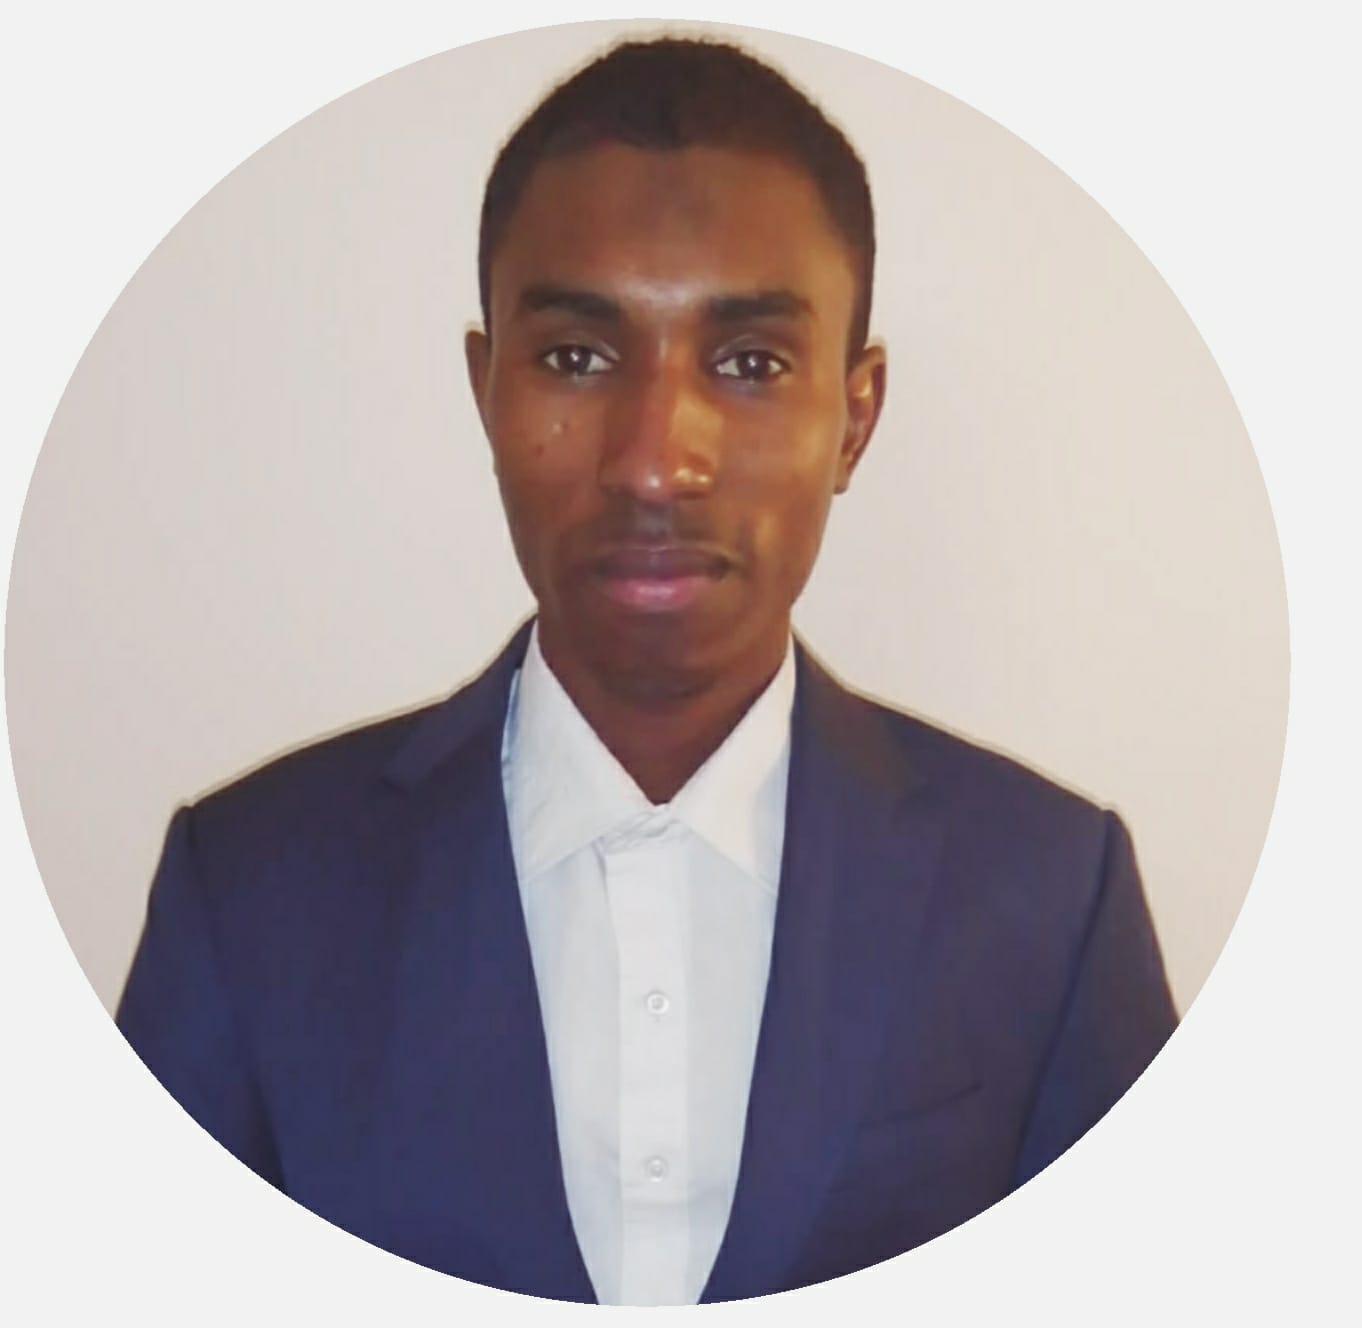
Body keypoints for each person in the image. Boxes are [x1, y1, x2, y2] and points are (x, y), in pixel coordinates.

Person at [116, 37, 1177, 1306]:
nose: (655, 461)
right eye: (576, 356)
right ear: (486, 390)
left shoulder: (1048, 897)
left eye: (750, 363)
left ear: (855, 415)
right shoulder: (250, 893)